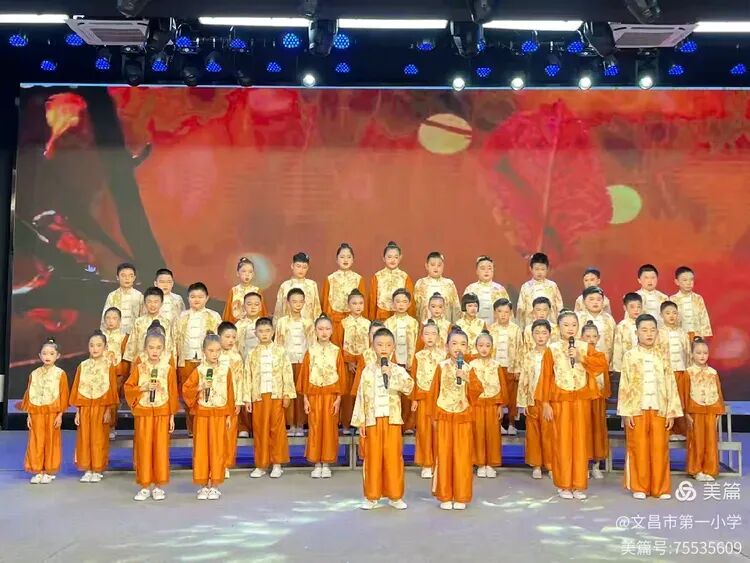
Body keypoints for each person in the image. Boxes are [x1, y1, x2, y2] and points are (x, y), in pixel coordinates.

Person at [537, 310, 605, 500]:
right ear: (558, 327)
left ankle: (579, 485)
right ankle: (564, 484)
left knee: (580, 442)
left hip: (581, 400)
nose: (570, 328)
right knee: (562, 442)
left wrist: (582, 358)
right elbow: (546, 377)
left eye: (574, 325)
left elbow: (601, 364)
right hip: (560, 401)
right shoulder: (552, 349)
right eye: (566, 325)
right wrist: (545, 403)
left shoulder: (584, 347)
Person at [618, 314, 682, 500]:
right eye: (644, 330)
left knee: (660, 449)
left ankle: (660, 488)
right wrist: (626, 412)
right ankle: (640, 486)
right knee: (638, 448)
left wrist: (671, 412)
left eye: (652, 330)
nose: (649, 334)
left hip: (660, 408)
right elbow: (625, 384)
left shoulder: (663, 355)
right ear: (637, 333)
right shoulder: (630, 356)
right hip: (637, 409)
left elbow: (671, 383)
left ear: (657, 333)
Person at [352, 327, 414, 510]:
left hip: (392, 420)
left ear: (393, 347)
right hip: (372, 420)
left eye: (388, 345)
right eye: (380, 345)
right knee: (373, 458)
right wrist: (361, 421)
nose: (384, 349)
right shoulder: (367, 371)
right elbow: (361, 396)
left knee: (393, 458)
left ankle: (395, 496)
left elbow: (409, 387)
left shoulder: (397, 370)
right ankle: (371, 496)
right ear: (373, 347)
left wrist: (391, 375)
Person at [429, 328, 483, 510]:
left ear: (467, 348)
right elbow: (433, 393)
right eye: (454, 344)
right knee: (444, 455)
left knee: (462, 457)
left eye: (462, 344)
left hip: (462, 417)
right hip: (444, 416)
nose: (458, 348)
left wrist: (466, 378)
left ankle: (461, 495)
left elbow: (477, 391)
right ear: (447, 346)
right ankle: (445, 495)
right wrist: (433, 417)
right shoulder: (441, 367)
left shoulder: (469, 368)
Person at [123, 329, 178, 501]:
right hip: (144, 413)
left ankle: (159, 485)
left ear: (163, 349)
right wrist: (143, 388)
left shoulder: (168, 369)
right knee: (144, 448)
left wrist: (171, 416)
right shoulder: (140, 368)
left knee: (161, 449)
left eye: (158, 348)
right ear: (145, 348)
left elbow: (173, 393)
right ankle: (145, 485)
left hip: (162, 412)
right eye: (151, 347)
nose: (154, 351)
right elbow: (128, 388)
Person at [183, 332, 235, 500]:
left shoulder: (225, 370)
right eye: (211, 351)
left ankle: (215, 484)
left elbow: (230, 393)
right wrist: (199, 387)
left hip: (219, 414)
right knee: (202, 449)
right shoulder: (199, 370)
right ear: (204, 351)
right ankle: (203, 484)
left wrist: (229, 415)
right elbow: (186, 390)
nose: (214, 354)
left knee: (217, 449)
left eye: (218, 350)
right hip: (202, 415)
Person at [297, 315, 348, 478]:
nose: (324, 332)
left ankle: (326, 463)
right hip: (314, 395)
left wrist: (338, 398)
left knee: (329, 429)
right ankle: (316, 463)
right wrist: (306, 399)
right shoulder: (310, 351)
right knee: (315, 427)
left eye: (327, 329)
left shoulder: (336, 351)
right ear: (315, 331)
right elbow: (305, 375)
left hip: (331, 395)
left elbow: (341, 375)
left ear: (332, 331)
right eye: (320, 329)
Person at [246, 317, 296, 479]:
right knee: (260, 430)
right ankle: (261, 464)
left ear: (273, 332)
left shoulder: (281, 351)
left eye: (267, 331)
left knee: (277, 429)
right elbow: (248, 376)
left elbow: (287, 372)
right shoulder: (252, 354)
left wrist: (287, 393)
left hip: (276, 395)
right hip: (259, 396)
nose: (264, 334)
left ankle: (277, 463)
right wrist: (247, 398)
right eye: (261, 331)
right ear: (255, 333)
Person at [70, 330, 119, 483]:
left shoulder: (108, 366)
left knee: (99, 439)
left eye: (99, 345)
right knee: (84, 438)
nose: (95, 348)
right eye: (92, 345)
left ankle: (97, 468)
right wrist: (78, 411)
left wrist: (108, 410)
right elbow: (77, 388)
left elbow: (112, 389)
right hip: (85, 407)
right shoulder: (83, 366)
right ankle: (87, 468)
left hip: (101, 407)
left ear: (105, 347)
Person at [19, 338, 69, 484]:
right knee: (36, 441)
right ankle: (38, 470)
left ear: (57, 356)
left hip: (52, 413)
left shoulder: (60, 374)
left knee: (51, 441)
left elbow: (63, 395)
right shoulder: (34, 373)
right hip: (36, 413)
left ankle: (48, 470)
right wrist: (29, 415)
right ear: (40, 355)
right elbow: (29, 394)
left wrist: (60, 415)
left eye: (51, 353)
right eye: (44, 353)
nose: (48, 356)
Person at [174, 282, 222, 434]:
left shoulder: (214, 316)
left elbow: (219, 340)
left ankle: (206, 428)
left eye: (200, 297)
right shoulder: (181, 316)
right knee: (189, 394)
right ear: (188, 298)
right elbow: (174, 339)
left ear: (207, 298)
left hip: (206, 362)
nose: (196, 300)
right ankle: (192, 429)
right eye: (193, 296)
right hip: (186, 360)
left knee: (208, 393)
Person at [275, 287, 315, 437]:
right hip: (287, 361)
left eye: (300, 301)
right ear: (288, 303)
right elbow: (278, 343)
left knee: (301, 392)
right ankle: (290, 423)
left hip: (303, 361)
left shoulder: (308, 322)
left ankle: (300, 424)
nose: (297, 304)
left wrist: (310, 361)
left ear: (304, 303)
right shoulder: (282, 322)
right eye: (294, 301)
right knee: (289, 392)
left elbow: (312, 344)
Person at [517, 320, 554, 479]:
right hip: (532, 399)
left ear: (549, 335)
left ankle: (551, 465)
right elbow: (523, 379)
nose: (540, 336)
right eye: (537, 333)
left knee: (549, 433)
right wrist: (523, 402)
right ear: (532, 335)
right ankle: (536, 465)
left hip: (548, 401)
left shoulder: (553, 354)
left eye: (544, 333)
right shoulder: (528, 356)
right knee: (533, 434)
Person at [685, 337, 725, 481]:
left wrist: (718, 411)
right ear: (692, 355)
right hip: (695, 411)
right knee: (697, 441)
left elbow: (718, 392)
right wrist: (686, 413)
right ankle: (696, 470)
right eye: (698, 353)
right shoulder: (688, 372)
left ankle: (710, 469)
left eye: (705, 353)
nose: (702, 356)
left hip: (711, 410)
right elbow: (684, 394)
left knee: (710, 441)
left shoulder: (713, 373)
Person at [410, 320, 446, 478]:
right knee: (424, 431)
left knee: (439, 430)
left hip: (439, 398)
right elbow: (413, 377)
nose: (430, 337)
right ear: (422, 337)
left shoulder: (443, 355)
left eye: (433, 334)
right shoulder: (418, 356)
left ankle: (439, 462)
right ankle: (426, 463)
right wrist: (414, 399)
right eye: (427, 334)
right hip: (423, 397)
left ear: (438, 337)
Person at [469, 331, 507, 478]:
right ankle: (480, 463)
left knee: (492, 434)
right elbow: (468, 388)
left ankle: (490, 463)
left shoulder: (496, 365)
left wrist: (500, 406)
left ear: (492, 347)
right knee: (478, 433)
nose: (484, 348)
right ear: (476, 347)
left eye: (487, 345)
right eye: (481, 345)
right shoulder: (471, 365)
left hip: (492, 405)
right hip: (477, 405)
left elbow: (502, 386)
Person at [384, 288, 419, 431]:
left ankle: (409, 425)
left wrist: (412, 361)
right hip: (394, 361)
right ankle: (395, 424)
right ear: (393, 304)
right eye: (398, 301)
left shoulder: (414, 322)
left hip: (409, 361)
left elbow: (417, 342)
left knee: (408, 393)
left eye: (404, 301)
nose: (401, 304)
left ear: (409, 304)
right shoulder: (388, 322)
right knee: (394, 393)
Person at [580, 321, 611, 480]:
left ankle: (596, 465)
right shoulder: (577, 356)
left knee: (597, 431)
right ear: (581, 337)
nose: (591, 339)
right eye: (587, 336)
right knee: (583, 430)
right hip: (583, 398)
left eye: (594, 336)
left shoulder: (601, 356)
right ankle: (583, 465)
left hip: (597, 399)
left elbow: (602, 375)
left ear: (598, 338)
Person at [488, 298, 523, 436]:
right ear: (494, 313)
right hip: (496, 368)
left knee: (512, 397)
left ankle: (512, 424)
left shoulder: (516, 329)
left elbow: (520, 349)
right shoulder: (490, 329)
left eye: (506, 312)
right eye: (499, 311)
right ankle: (498, 424)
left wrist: (518, 369)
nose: (503, 315)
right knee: (497, 396)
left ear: (511, 313)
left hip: (511, 368)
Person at [217, 321, 248, 477]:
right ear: (219, 337)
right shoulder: (212, 355)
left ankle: (226, 464)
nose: (230, 340)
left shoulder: (236, 358)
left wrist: (239, 401)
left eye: (233, 337)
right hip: (215, 400)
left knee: (229, 434)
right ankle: (215, 463)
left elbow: (240, 380)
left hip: (232, 399)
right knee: (216, 433)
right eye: (227, 337)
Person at [321, 243, 367, 346]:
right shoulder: (330, 279)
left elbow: (362, 305)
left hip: (353, 322)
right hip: (335, 322)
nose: (345, 260)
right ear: (336, 259)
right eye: (342, 257)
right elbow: (325, 304)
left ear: (353, 259)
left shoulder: (358, 279)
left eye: (349, 257)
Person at [659, 301, 692, 441]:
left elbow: (688, 354)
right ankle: (668, 430)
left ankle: (682, 430)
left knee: (681, 401)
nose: (671, 316)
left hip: (681, 371)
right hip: (666, 373)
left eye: (674, 313)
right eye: (667, 313)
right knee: (667, 401)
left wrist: (689, 371)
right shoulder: (659, 333)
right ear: (661, 315)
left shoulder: (683, 333)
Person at [341, 289, 370, 435]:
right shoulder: (343, 323)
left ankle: (361, 423)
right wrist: (348, 361)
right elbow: (339, 343)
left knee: (362, 392)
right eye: (354, 303)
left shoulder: (368, 323)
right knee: (347, 394)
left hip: (364, 363)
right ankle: (346, 424)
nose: (358, 306)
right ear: (348, 305)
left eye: (360, 303)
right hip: (347, 363)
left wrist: (363, 362)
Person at [235, 292, 264, 438]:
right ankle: (243, 426)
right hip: (243, 363)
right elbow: (235, 346)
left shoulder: (265, 324)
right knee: (243, 394)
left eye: (256, 304)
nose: (253, 307)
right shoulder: (239, 325)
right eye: (249, 304)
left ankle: (258, 425)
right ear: (244, 306)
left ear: (261, 306)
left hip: (261, 366)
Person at [124, 286, 174, 364]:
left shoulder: (166, 323)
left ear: (161, 303)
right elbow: (132, 344)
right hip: (140, 362)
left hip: (160, 363)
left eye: (156, 302)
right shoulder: (139, 322)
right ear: (145, 303)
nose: (152, 305)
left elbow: (169, 346)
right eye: (149, 302)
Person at [368, 241, 415, 321]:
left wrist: (410, 319)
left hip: (400, 315)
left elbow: (410, 300)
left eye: (396, 257)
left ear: (400, 258)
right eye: (389, 257)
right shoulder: (377, 276)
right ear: (384, 258)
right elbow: (372, 300)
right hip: (381, 314)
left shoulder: (404, 277)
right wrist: (372, 320)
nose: (392, 260)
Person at [516, 253, 563, 327]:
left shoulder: (552, 286)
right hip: (530, 326)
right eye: (537, 269)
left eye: (543, 269)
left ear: (547, 269)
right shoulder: (526, 287)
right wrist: (521, 328)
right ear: (531, 269)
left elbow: (559, 307)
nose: (539, 272)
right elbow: (520, 309)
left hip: (551, 326)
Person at [273, 252, 322, 324]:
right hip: (288, 326)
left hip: (308, 326)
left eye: (304, 267)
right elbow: (278, 311)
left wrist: (318, 326)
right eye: (298, 266)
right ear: (292, 266)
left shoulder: (312, 285)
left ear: (308, 268)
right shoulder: (285, 286)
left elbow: (317, 309)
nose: (301, 270)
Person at [102, 306, 128, 438]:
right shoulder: (100, 336)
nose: (111, 321)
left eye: (114, 318)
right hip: (101, 373)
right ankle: (100, 426)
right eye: (108, 318)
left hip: (117, 372)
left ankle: (111, 426)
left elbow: (126, 356)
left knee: (113, 400)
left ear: (120, 320)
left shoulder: (124, 337)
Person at [413, 252, 461, 323]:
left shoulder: (449, 284)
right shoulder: (421, 283)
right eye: (432, 265)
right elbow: (416, 308)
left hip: (445, 325)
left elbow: (455, 308)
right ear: (426, 266)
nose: (436, 268)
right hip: (425, 326)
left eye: (439, 265)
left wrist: (455, 326)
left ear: (443, 266)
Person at [463, 256, 510, 327]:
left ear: (493, 271)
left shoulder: (500, 289)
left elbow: (508, 312)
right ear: (477, 271)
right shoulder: (470, 289)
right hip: (474, 329)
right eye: (482, 268)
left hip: (496, 329)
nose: (486, 271)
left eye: (489, 268)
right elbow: (464, 313)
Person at [101, 262, 144, 335]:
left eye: (130, 276)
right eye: (123, 275)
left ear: (134, 278)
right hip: (115, 336)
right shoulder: (112, 296)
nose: (127, 278)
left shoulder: (139, 296)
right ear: (117, 277)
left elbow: (143, 319)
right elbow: (105, 319)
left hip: (134, 336)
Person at [576, 286, 616, 364]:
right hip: (582, 362)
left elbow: (614, 343)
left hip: (604, 363)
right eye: (591, 299)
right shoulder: (577, 318)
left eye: (599, 299)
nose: (595, 302)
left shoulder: (609, 319)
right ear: (584, 301)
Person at [670, 266, 712, 339]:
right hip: (680, 338)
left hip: (697, 337)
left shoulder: (698, 298)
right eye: (685, 280)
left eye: (691, 280)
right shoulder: (672, 299)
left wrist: (703, 337)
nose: (689, 283)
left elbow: (704, 318)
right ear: (677, 282)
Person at [222, 257, 266, 322]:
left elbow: (262, 313)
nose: (247, 274)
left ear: (253, 274)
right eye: (244, 271)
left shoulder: (257, 291)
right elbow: (228, 313)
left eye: (250, 272)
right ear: (237, 273)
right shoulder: (233, 291)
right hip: (236, 324)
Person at [612, 292, 643, 373]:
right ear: (625, 308)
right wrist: (618, 370)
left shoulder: (646, 324)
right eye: (632, 307)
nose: (636, 310)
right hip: (628, 367)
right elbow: (617, 350)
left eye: (639, 307)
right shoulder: (621, 326)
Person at [454, 293, 487, 361]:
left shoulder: (482, 323)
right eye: (470, 306)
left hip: (478, 358)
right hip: (462, 358)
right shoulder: (458, 324)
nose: (473, 308)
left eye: (475, 306)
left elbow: (486, 343)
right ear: (464, 306)